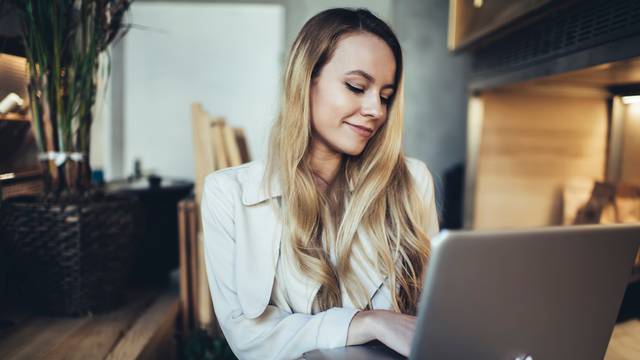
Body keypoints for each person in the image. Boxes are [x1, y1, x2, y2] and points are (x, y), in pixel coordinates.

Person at [201, 7, 439, 360]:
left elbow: (434, 315)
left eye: (385, 96)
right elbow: (247, 338)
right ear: (305, 81)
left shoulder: (412, 182)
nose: (376, 109)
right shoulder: (228, 194)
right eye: (357, 87)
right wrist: (368, 322)